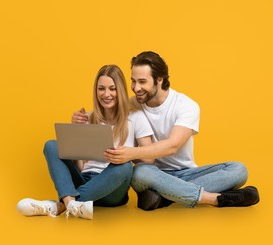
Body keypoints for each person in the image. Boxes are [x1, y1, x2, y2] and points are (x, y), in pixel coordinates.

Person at [104, 51, 260, 210]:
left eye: (142, 82)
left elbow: (172, 146)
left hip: (187, 172)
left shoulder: (186, 105)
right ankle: (215, 199)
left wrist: (131, 153)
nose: (136, 88)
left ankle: (164, 197)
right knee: (139, 172)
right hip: (152, 173)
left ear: (159, 79)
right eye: (133, 81)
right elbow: (105, 118)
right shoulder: (131, 106)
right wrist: (82, 119)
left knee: (238, 170)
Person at [17, 65, 154, 219]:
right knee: (51, 145)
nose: (106, 94)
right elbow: (80, 166)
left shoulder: (136, 117)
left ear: (120, 90)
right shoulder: (88, 118)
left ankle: (59, 206)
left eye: (112, 89)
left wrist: (126, 155)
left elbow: (150, 157)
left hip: (113, 189)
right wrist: (76, 132)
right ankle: (73, 205)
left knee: (125, 167)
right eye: (101, 89)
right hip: (85, 181)